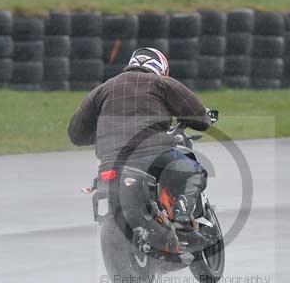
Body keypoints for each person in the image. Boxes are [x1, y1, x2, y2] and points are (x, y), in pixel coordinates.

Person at [67, 47, 214, 245]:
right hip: (153, 154)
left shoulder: (102, 89)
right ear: (162, 68)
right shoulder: (161, 83)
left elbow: (76, 134)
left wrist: (106, 134)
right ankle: (182, 222)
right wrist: (204, 118)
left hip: (110, 163)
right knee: (195, 171)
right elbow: (198, 117)